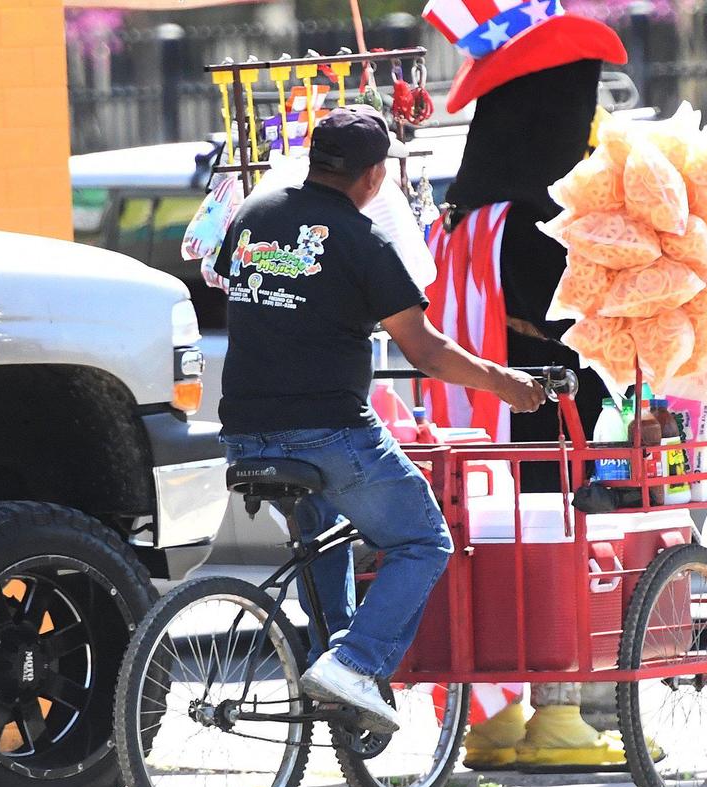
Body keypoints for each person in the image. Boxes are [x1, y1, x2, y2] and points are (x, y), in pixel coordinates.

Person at [214, 105, 545, 734]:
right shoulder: (363, 243)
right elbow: (426, 351)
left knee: (322, 540)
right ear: (375, 177)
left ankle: (327, 666)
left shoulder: (254, 217)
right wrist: (504, 383)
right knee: (424, 539)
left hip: (244, 433)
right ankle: (356, 661)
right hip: (328, 432)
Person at [421, 0, 634, 769]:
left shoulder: (467, 208)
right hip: (544, 409)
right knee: (553, 544)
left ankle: (494, 715)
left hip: (477, 416)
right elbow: (574, 310)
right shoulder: (551, 212)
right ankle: (558, 711)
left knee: (488, 549)